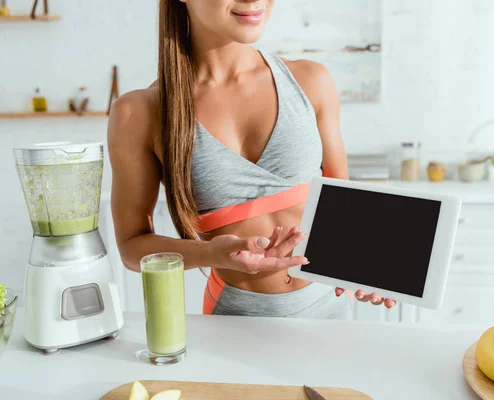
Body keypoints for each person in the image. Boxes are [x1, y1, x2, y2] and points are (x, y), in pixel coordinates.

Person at [107, 0, 397, 318]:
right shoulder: (140, 112)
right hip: (235, 319)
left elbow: (344, 208)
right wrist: (210, 254)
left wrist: (370, 264)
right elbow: (132, 248)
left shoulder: (310, 80)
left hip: (331, 309)